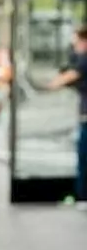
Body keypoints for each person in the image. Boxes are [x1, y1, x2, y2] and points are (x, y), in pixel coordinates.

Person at [45, 27, 87, 206]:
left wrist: (50, 83)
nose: (74, 46)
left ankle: (83, 196)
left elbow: (67, 77)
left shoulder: (84, 60)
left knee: (84, 158)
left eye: (76, 42)